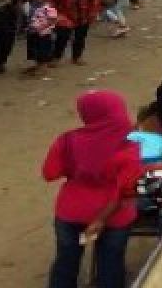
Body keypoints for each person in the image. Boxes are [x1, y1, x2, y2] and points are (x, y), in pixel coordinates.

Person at [42, 90, 141, 288]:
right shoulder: (128, 147)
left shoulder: (67, 140)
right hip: (114, 215)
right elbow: (127, 190)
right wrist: (100, 219)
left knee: (66, 261)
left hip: (70, 211)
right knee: (111, 265)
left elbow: (49, 173)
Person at [51, 0, 103, 65]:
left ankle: (77, 57)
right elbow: (52, 0)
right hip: (64, 14)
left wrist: (93, 12)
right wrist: (53, 15)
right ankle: (56, 56)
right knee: (62, 36)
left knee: (80, 37)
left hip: (84, 13)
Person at [23, 0, 58, 75]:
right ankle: (37, 66)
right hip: (33, 33)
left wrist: (40, 27)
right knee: (34, 50)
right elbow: (30, 18)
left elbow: (52, 20)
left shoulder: (49, 8)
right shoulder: (33, 7)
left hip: (44, 34)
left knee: (43, 51)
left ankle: (43, 68)